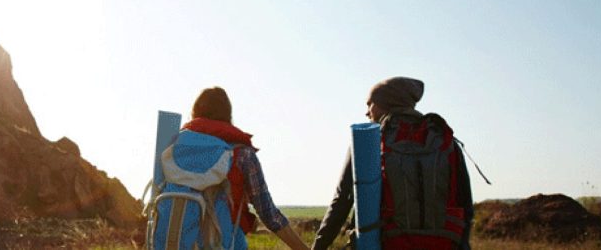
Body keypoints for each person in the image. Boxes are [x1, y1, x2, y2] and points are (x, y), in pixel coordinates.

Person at [312, 77, 474, 250]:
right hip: (445, 244)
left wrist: (318, 246)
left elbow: (342, 200)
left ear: (387, 103)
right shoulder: (445, 141)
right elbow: (465, 205)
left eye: (370, 104)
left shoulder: (367, 142)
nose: (367, 112)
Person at [152, 87, 309, 250]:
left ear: (195, 113)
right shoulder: (241, 154)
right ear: (228, 114)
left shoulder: (171, 149)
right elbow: (269, 214)